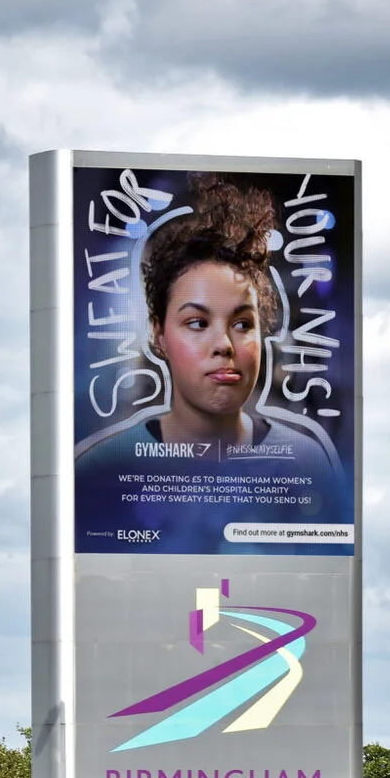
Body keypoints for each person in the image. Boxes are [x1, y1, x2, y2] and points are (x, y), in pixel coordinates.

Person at [76, 174, 348, 548]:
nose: (223, 344)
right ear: (159, 336)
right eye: (197, 323)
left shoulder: (306, 461)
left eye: (242, 323)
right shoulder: (101, 470)